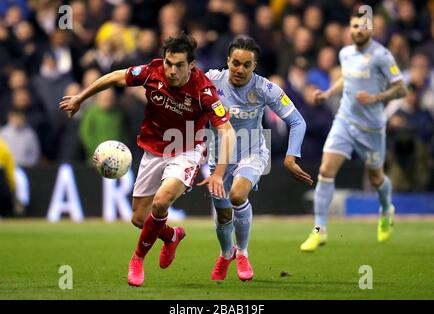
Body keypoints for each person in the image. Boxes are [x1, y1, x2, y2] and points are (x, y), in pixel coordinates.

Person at [59, 33, 236, 287]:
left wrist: (218, 173)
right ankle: (171, 236)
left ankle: (137, 259)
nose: (171, 70)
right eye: (168, 63)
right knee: (140, 220)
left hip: (186, 150)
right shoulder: (153, 72)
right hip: (152, 149)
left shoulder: (203, 90)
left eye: (179, 65)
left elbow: (227, 130)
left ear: (191, 65)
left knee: (162, 201)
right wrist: (80, 98)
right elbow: (114, 77)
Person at [205, 37, 313, 281]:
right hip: (219, 156)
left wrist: (291, 156)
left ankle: (242, 253)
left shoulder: (264, 88)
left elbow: (297, 121)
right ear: (227, 61)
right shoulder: (211, 80)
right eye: (235, 63)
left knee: (237, 195)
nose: (240, 69)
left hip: (252, 152)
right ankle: (225, 254)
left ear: (255, 66)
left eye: (246, 65)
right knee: (222, 215)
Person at [300, 10, 408, 252]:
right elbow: (347, 78)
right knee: (326, 170)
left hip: (371, 128)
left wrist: (376, 97)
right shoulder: (345, 52)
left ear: (371, 29)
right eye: (354, 26)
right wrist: (328, 92)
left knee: (376, 178)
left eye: (363, 26)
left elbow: (401, 89)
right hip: (345, 121)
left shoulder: (382, 56)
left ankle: (385, 208)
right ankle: (319, 229)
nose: (358, 30)